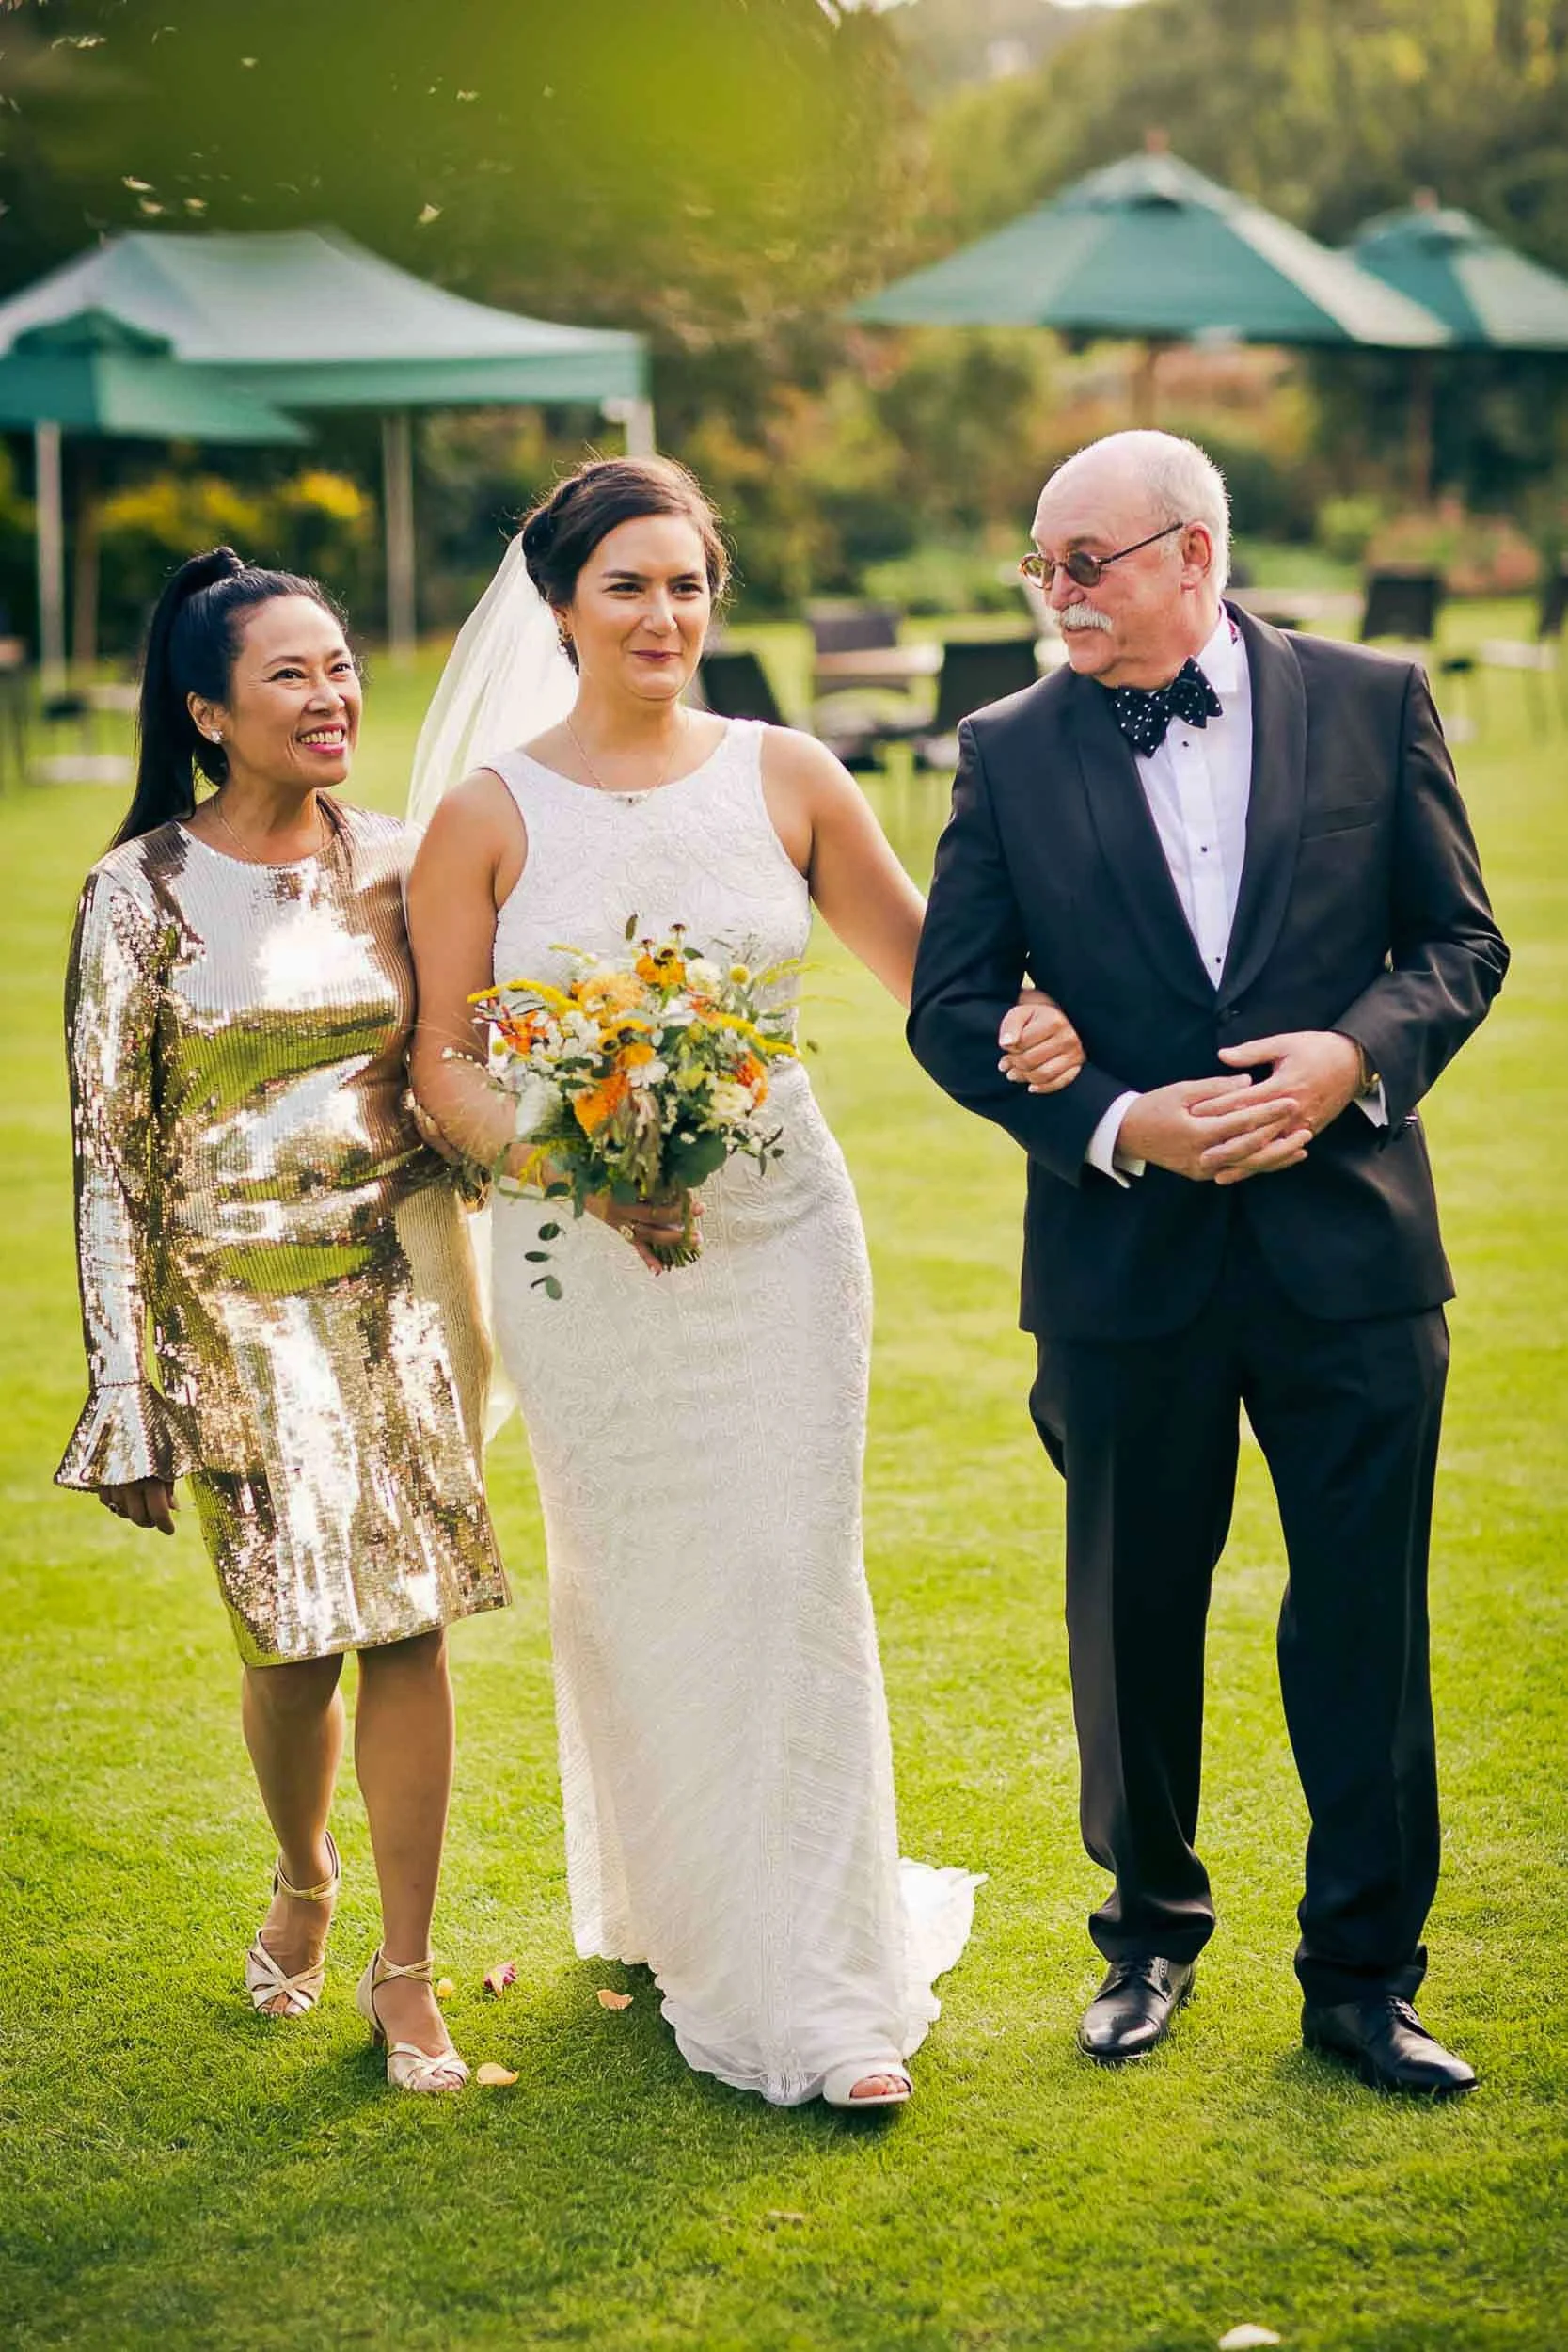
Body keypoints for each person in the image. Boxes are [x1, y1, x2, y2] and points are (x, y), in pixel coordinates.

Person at [404, 456, 1081, 2108]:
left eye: (688, 583)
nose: (663, 614)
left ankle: (822, 1994)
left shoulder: (790, 775)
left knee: (786, 1570)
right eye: (626, 584)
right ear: (559, 605)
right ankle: (674, 1902)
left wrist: (1037, 1026)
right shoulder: (489, 815)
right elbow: (444, 1066)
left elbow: (938, 982)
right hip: (580, 1265)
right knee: (635, 1586)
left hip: (782, 1239)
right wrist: (589, 1168)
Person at [909, 431, 1508, 2096]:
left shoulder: (1373, 699)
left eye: (1080, 563)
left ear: (1190, 556)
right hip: (1123, 1269)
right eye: (1038, 565)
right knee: (1130, 1617)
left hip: (1353, 1256)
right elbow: (950, 1008)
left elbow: (1460, 942)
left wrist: (1350, 1059)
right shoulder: (1007, 748)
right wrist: (1116, 1122)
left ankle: (1363, 1979)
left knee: (1362, 1628)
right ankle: (1147, 1933)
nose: (1055, 596)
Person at [56, 548, 508, 2094]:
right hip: (228, 1318)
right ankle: (302, 1878)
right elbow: (107, 1160)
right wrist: (125, 1386)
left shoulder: (400, 860)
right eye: (290, 677)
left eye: (341, 667)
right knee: (293, 1649)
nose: (332, 700)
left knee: (410, 1627)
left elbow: (457, 1060)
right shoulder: (138, 895)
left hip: (402, 1288)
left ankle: (406, 1970)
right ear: (208, 713)